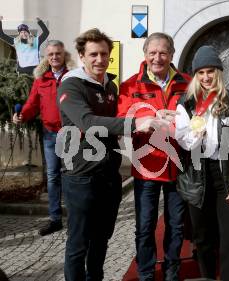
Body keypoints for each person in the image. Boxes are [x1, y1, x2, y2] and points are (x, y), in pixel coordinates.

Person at [57, 28, 161, 281]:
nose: (99, 59)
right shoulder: (71, 85)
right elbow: (88, 122)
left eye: (104, 54)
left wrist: (158, 114)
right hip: (81, 175)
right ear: (82, 56)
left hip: (108, 174)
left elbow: (120, 116)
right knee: (78, 243)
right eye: (93, 54)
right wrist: (135, 124)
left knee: (102, 239)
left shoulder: (110, 85)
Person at [117, 32, 191, 281]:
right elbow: (120, 121)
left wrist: (181, 121)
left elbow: (201, 117)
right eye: (152, 53)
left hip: (178, 165)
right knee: (145, 226)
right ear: (145, 55)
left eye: (163, 53)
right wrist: (142, 120)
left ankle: (172, 273)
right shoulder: (130, 86)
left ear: (171, 54)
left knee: (176, 226)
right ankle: (146, 274)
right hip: (147, 166)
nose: (157, 58)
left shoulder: (189, 83)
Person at [175, 45, 229, 281]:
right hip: (197, 175)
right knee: (202, 238)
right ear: (195, 75)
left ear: (219, 72)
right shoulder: (186, 102)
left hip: (226, 175)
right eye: (201, 72)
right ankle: (207, 277)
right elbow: (183, 142)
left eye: (211, 71)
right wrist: (197, 133)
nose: (206, 77)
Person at [12, 39, 75, 236]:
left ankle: (74, 219)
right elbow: (32, 104)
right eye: (51, 54)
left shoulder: (73, 77)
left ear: (64, 55)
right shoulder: (41, 80)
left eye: (58, 53)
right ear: (46, 58)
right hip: (49, 133)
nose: (55, 57)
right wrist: (22, 115)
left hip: (70, 134)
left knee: (71, 176)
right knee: (52, 176)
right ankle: (55, 219)